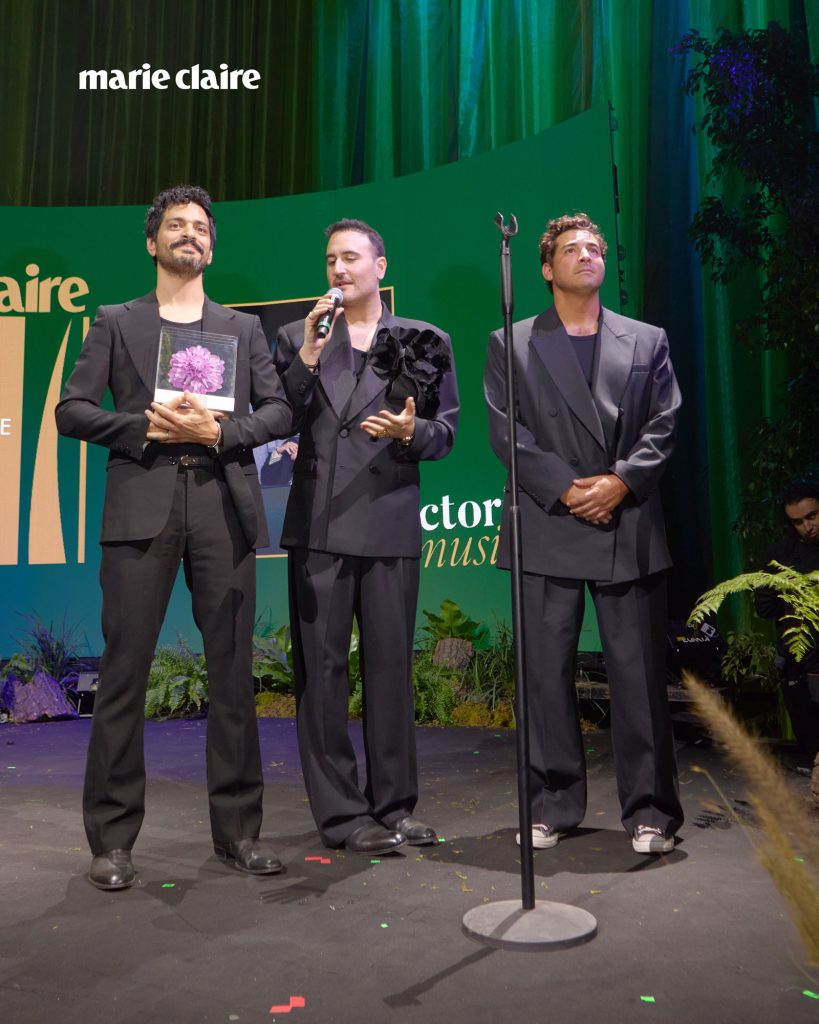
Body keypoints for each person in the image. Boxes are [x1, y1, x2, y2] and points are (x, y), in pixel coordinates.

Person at [55, 185, 293, 889]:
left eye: (201, 227)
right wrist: (147, 426)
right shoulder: (114, 320)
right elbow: (71, 410)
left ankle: (239, 834)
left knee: (231, 678)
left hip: (222, 505)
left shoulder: (241, 329)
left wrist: (222, 431)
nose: (191, 235)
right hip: (140, 506)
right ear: (152, 242)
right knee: (125, 675)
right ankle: (113, 841)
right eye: (176, 226)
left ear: (211, 246)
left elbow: (279, 410)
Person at [484, 212, 683, 854]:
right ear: (546, 268)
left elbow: (665, 422)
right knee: (545, 675)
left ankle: (651, 811)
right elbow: (506, 430)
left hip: (625, 520)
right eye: (571, 249)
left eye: (594, 247)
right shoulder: (510, 342)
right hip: (549, 521)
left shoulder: (646, 340)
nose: (586, 255)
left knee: (638, 678)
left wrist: (619, 482)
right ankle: (552, 804)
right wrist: (570, 489)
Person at [274, 218, 459, 855]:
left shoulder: (423, 341)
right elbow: (280, 413)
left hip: (388, 519)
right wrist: (307, 356)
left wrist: (412, 433)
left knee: (389, 669)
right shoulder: (299, 339)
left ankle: (396, 806)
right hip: (319, 527)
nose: (338, 269)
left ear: (381, 266)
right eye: (330, 260)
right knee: (320, 675)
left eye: (351, 257)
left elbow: (445, 432)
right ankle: (340, 813)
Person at [754, 481, 819, 770]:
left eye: (812, 516)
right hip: (799, 656)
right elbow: (764, 606)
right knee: (807, 724)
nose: (807, 526)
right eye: (798, 521)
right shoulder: (778, 555)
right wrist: (797, 594)